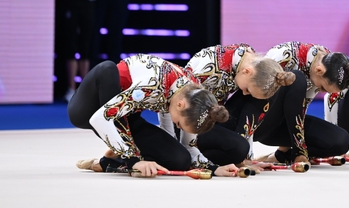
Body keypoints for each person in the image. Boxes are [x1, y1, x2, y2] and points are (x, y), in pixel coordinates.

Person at [69, 54, 240, 177]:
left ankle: (110, 161)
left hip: (127, 115)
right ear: (180, 105)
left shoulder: (193, 95)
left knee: (180, 160)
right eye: (179, 124)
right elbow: (101, 118)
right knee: (107, 69)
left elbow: (189, 146)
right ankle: (125, 154)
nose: (177, 126)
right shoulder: (150, 85)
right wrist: (134, 160)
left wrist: (213, 168)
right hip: (93, 106)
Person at [169, 44, 296, 168]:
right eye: (246, 89)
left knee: (262, 95)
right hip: (188, 122)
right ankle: (202, 157)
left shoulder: (248, 60)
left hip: (214, 115)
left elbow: (250, 115)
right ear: (247, 71)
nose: (245, 93)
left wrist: (247, 158)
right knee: (238, 149)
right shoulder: (210, 71)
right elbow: (185, 109)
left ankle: (240, 156)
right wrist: (189, 151)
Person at [248, 42, 349, 164]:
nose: (321, 92)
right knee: (298, 80)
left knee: (340, 141)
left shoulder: (327, 62)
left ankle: (284, 155)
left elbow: (300, 110)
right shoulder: (285, 58)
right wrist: (247, 157)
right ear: (319, 70)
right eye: (322, 88)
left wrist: (287, 148)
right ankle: (298, 151)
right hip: (260, 121)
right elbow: (252, 101)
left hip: (286, 124)